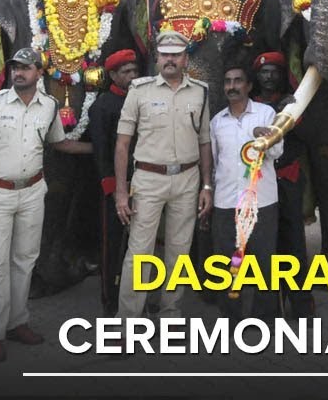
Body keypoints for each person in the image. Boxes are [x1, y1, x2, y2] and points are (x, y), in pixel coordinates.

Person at [0, 48, 92, 363]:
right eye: (15, 67)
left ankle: (18, 322)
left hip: (32, 191)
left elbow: (60, 143)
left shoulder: (49, 107)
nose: (19, 72)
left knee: (25, 260)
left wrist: (102, 149)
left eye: (26, 68)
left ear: (38, 73)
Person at [114, 30, 213, 320]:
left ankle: (171, 314)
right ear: (157, 57)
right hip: (148, 179)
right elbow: (122, 144)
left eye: (176, 54)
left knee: (179, 253)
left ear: (186, 59)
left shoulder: (200, 91)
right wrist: (122, 191)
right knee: (139, 253)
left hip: (188, 178)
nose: (170, 59)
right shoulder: (139, 91)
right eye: (165, 54)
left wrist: (207, 185)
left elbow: (204, 140)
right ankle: (127, 323)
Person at [210, 64, 280, 320]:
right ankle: (230, 319)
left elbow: (277, 153)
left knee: (264, 263)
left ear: (249, 86)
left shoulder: (266, 114)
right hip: (226, 202)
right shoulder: (217, 122)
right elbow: (216, 163)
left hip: (263, 200)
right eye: (228, 81)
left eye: (238, 81)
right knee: (225, 264)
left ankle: (265, 319)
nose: (232, 86)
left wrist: (267, 139)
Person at [251, 51, 314, 319]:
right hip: (261, 183)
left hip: (287, 179)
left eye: (275, 72)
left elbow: (303, 138)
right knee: (265, 243)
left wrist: (287, 111)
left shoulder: (293, 104)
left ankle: (301, 303)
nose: (269, 77)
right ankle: (269, 305)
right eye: (264, 72)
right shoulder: (250, 105)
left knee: (294, 242)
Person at [86, 49, 140, 315]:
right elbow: (100, 151)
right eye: (125, 72)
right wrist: (112, 188)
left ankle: (138, 298)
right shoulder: (103, 106)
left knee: (140, 246)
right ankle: (109, 300)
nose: (131, 76)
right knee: (113, 245)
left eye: (134, 71)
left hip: (143, 183)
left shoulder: (142, 99)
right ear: (113, 75)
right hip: (115, 187)